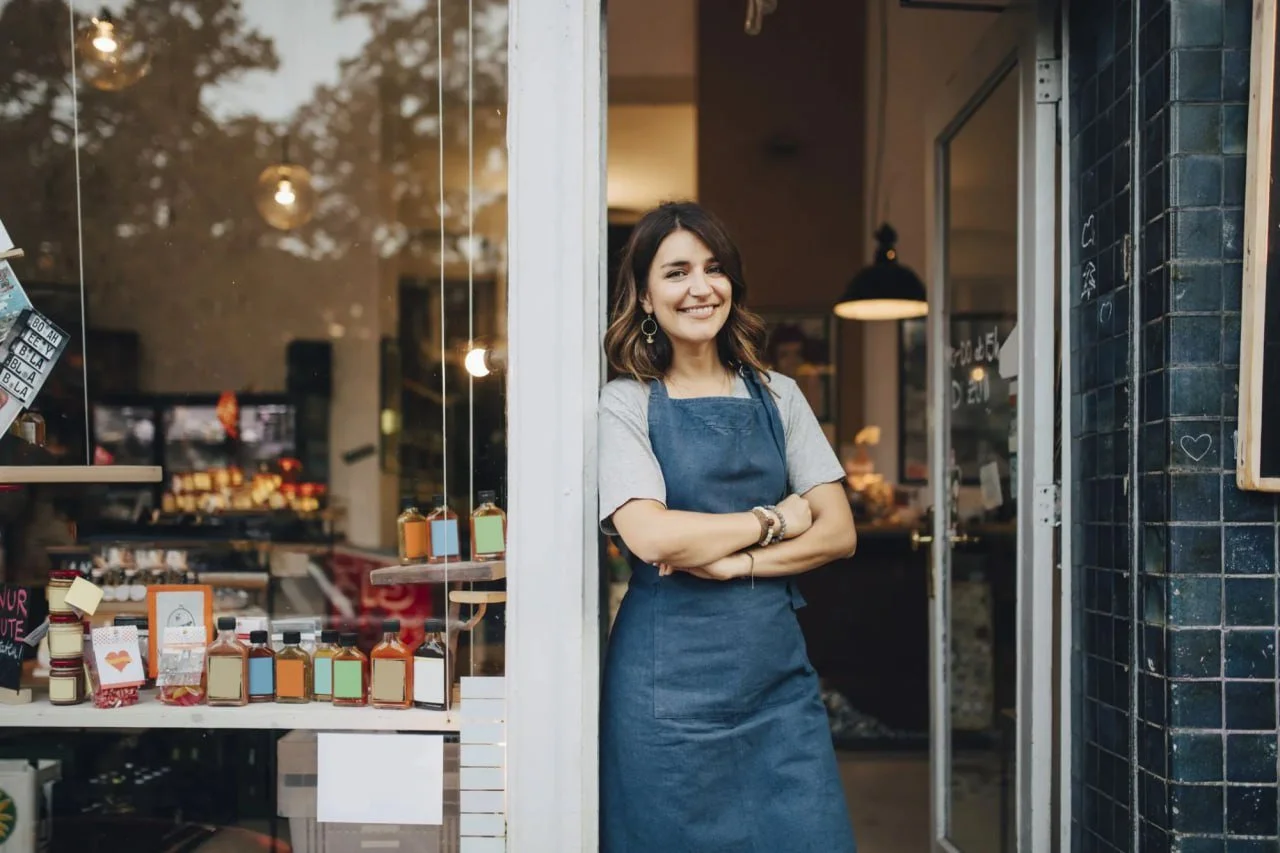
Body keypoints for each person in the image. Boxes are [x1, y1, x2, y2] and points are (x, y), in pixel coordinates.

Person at [598, 201, 859, 852]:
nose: (699, 287)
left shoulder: (778, 394)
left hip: (775, 684)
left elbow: (837, 532)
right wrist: (776, 518)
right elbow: (651, 536)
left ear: (732, 286)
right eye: (677, 271)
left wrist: (735, 562)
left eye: (714, 269)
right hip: (666, 692)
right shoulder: (625, 401)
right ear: (647, 296)